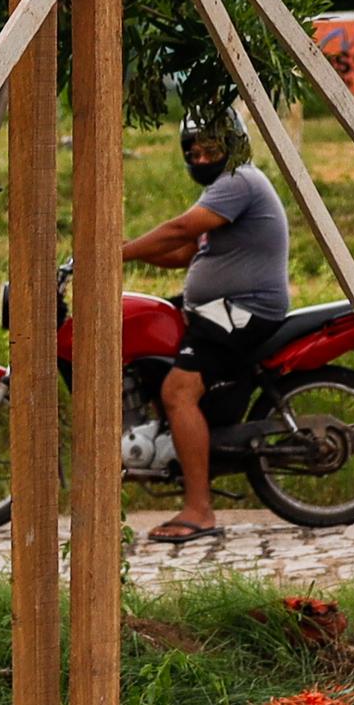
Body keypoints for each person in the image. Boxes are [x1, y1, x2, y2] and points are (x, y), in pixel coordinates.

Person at [121, 114, 287, 543]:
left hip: (243, 309)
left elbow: (180, 229)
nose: (200, 157)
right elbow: (184, 252)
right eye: (192, 152)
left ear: (232, 146)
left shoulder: (239, 180)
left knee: (178, 392)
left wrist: (113, 251)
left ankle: (199, 510)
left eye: (209, 149)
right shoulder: (226, 190)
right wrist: (129, 256)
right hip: (223, 307)